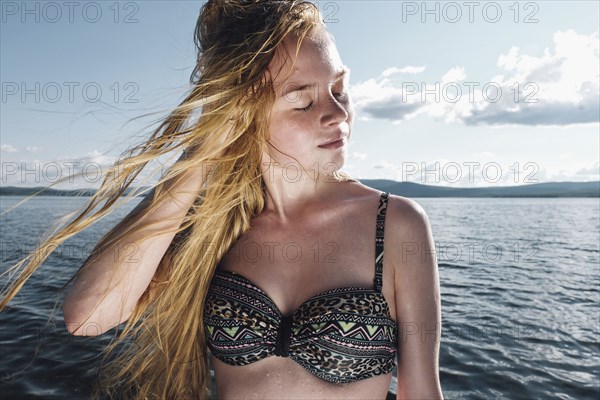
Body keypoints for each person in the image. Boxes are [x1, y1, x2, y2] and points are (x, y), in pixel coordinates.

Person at [0, 1, 443, 399]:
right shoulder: (213, 226)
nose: (338, 113)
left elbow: (420, 391)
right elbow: (88, 317)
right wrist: (199, 159)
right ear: (242, 116)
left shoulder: (397, 222)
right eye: (303, 102)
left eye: (339, 89)